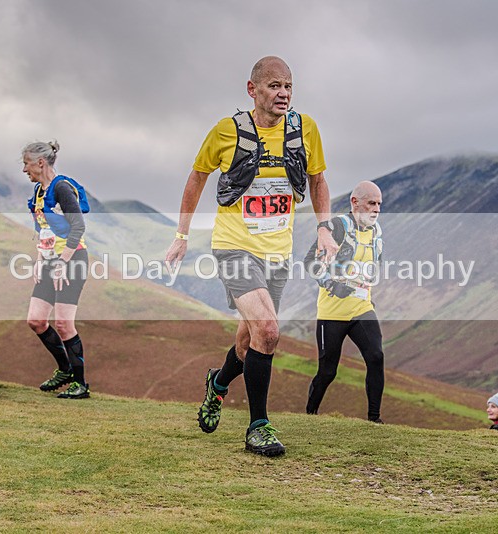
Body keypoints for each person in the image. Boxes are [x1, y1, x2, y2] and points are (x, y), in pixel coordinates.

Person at [165, 56, 338, 457]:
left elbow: (318, 179)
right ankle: (258, 426)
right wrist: (181, 235)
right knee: (270, 331)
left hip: (277, 253)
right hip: (234, 246)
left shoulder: (305, 129)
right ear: (252, 89)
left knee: (249, 341)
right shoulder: (227, 131)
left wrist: (325, 227)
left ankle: (219, 383)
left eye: (289, 86)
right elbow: (197, 177)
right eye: (275, 86)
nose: (284, 94)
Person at [304, 181, 386, 423]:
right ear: (355, 202)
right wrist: (331, 284)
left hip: (362, 308)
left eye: (379, 204)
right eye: (371, 203)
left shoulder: (376, 231)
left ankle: (374, 419)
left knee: (376, 356)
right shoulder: (338, 226)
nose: (376, 209)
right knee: (328, 371)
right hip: (332, 311)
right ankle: (309, 415)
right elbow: (310, 262)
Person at [23, 141, 91, 399]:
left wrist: (62, 262)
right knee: (36, 321)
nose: (24, 169)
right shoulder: (39, 193)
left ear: (40, 162)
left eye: (26, 163)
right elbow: (45, 230)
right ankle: (64, 369)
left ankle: (81, 384)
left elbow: (78, 228)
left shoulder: (61, 188)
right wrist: (41, 259)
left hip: (72, 260)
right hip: (51, 261)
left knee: (63, 323)